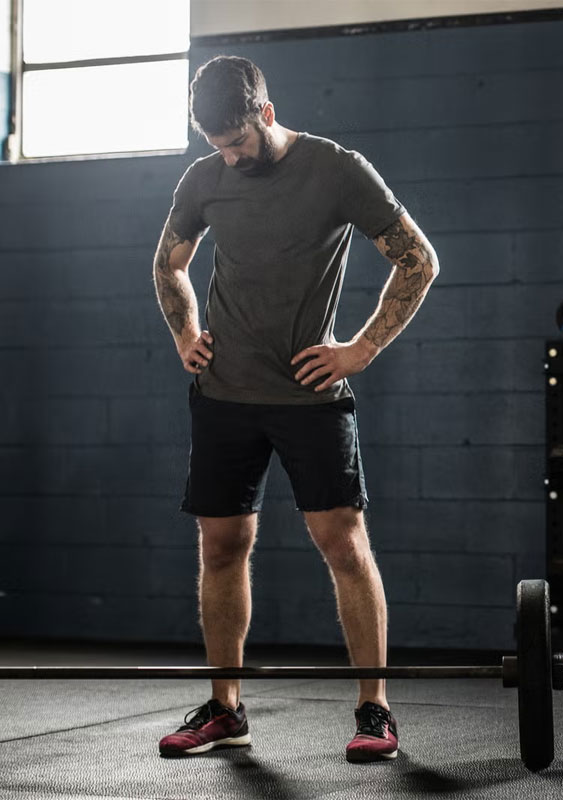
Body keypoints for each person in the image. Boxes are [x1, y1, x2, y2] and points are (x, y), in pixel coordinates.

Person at [151, 55, 439, 762]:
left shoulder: (336, 169)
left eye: (238, 141)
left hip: (311, 396)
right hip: (223, 397)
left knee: (343, 545)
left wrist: (361, 349)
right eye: (216, 144)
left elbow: (418, 259)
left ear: (266, 112)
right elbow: (169, 262)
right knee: (221, 548)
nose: (230, 155)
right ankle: (226, 709)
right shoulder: (204, 177)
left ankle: (375, 711)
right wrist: (185, 333)